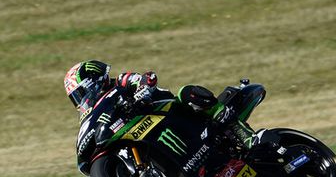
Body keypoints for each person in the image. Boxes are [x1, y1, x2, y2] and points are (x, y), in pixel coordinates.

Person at [63, 60, 256, 150]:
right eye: (76, 97)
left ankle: (244, 135)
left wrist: (142, 91)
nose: (80, 99)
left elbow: (146, 78)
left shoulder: (120, 82)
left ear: (94, 81)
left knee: (186, 92)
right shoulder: (97, 113)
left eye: (81, 92)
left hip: (167, 111)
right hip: (143, 131)